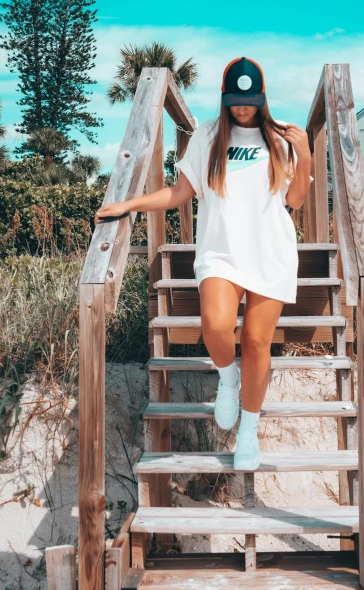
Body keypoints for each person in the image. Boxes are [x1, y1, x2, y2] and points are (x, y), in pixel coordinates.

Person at [95, 57, 313, 470]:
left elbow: (296, 200)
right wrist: (128, 205)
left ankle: (248, 431)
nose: (242, 107)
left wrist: (303, 154)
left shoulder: (282, 137)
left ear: (261, 99)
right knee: (215, 326)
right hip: (220, 252)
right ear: (224, 98)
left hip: (270, 251)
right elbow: (180, 193)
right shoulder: (208, 135)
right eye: (235, 100)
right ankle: (228, 379)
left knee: (255, 342)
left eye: (249, 100)